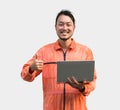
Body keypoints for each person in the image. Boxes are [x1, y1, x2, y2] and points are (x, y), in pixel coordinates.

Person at [21, 9, 97, 110]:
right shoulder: (44, 52)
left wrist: (81, 87)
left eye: (68, 24)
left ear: (74, 27)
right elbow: (25, 75)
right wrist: (31, 68)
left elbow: (92, 83)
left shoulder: (85, 52)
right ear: (55, 27)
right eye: (61, 24)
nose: (64, 28)